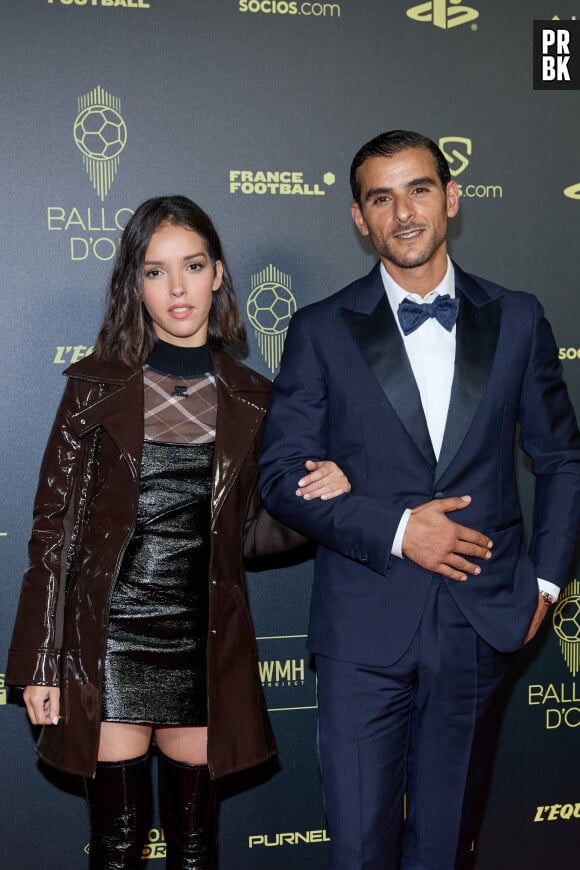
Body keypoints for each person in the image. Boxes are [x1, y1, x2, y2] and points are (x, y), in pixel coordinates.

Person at [258, 130, 580, 869]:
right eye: (381, 197)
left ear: (452, 198)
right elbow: (280, 479)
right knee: (359, 851)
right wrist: (399, 528)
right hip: (363, 629)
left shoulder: (520, 317)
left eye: (419, 189)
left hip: (480, 623)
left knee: (443, 850)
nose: (403, 213)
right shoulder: (318, 330)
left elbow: (562, 458)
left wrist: (544, 583)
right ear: (358, 218)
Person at [5, 195, 351, 869]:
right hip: (108, 637)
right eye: (156, 271)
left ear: (218, 273)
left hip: (202, 637)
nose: (177, 288)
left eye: (192, 266)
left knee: (195, 848)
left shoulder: (257, 398)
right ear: (135, 284)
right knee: (115, 847)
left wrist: (322, 496)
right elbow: (55, 532)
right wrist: (38, 661)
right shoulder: (92, 387)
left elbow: (256, 533)